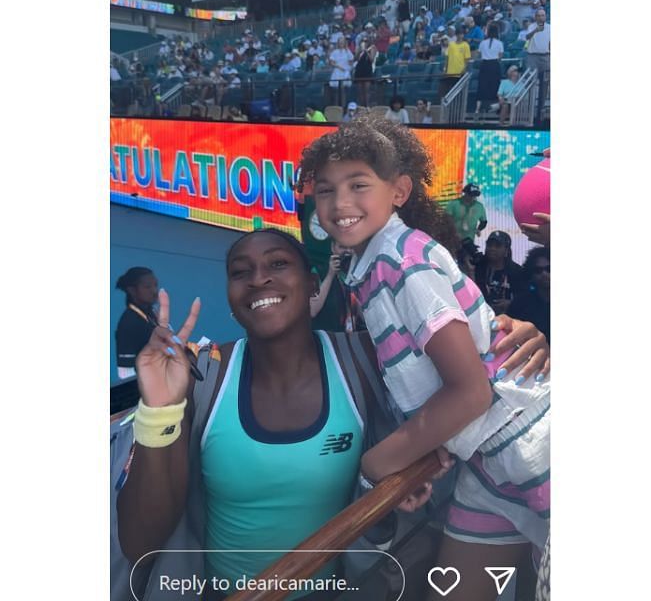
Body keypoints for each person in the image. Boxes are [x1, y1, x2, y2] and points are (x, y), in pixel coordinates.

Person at [114, 233, 551, 601]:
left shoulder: (368, 359)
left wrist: (520, 340)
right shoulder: (203, 376)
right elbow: (140, 544)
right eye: (239, 272)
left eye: (278, 263)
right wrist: (159, 410)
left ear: (312, 286)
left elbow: (471, 369)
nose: (258, 278)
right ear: (230, 299)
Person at [296, 118, 550, 599]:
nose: (339, 204)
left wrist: (378, 465)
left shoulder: (402, 263)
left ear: (399, 191)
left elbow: (471, 391)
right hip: (486, 461)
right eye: (326, 190)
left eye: (358, 185)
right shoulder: (374, 267)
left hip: (530, 446)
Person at [114, 267, 159, 369]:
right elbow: (125, 370)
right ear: (132, 290)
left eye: (155, 285)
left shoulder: (151, 315)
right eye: (148, 287)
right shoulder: (129, 322)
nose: (154, 291)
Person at [473, 231, 525, 316]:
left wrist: (510, 303)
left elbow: (524, 297)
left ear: (506, 250)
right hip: (480, 315)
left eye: (497, 246)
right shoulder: (478, 267)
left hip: (508, 318)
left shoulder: (517, 271)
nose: (492, 248)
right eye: (489, 245)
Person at [508, 246, 549, 341]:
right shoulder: (520, 303)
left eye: (549, 269)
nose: (544, 274)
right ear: (531, 274)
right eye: (538, 270)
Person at [524, 8, 550, 121]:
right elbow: (527, 37)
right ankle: (529, 111)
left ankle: (541, 113)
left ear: (545, 16)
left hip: (545, 57)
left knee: (544, 86)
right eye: (538, 15)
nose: (540, 17)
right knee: (531, 84)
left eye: (542, 15)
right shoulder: (531, 26)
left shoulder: (550, 27)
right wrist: (536, 30)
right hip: (532, 57)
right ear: (535, 17)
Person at [475, 23, 504, 116]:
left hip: (484, 65)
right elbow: (500, 57)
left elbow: (478, 54)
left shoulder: (483, 43)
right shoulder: (499, 43)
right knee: (495, 86)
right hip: (494, 65)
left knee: (482, 86)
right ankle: (494, 108)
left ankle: (478, 109)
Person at [439, 32, 471, 103]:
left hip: (459, 74)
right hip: (450, 73)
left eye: (461, 34)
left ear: (463, 35)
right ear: (456, 35)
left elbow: (467, 59)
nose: (460, 35)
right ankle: (444, 104)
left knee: (457, 93)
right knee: (445, 90)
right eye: (458, 34)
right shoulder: (451, 44)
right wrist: (445, 69)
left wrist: (464, 69)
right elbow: (447, 58)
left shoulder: (466, 45)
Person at [327, 34, 354, 108]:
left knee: (343, 91)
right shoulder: (335, 52)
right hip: (337, 72)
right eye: (340, 42)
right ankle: (336, 107)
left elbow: (351, 60)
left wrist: (347, 66)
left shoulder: (347, 51)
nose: (341, 43)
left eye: (342, 42)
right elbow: (331, 62)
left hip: (345, 72)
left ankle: (343, 107)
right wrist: (338, 66)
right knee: (336, 91)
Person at [353, 40, 378, 107]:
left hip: (367, 70)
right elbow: (355, 59)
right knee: (360, 91)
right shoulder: (359, 50)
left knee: (366, 90)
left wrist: (366, 51)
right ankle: (362, 105)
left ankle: (367, 105)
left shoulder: (372, 48)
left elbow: (371, 60)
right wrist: (359, 52)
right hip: (359, 70)